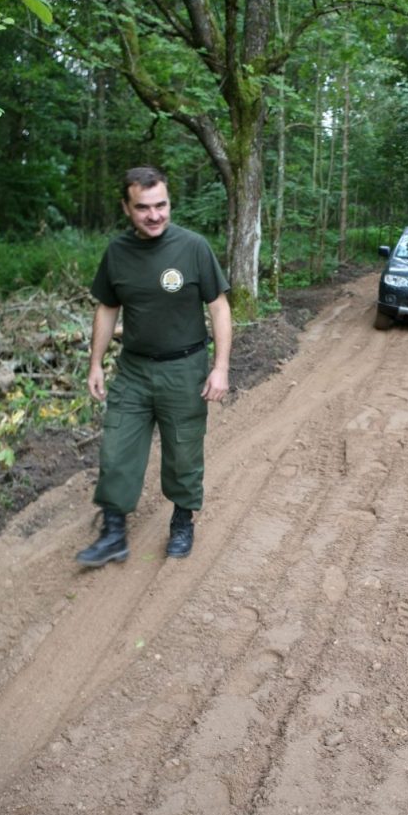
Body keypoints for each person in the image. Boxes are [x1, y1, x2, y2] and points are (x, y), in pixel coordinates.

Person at [76, 165, 232, 567]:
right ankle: (113, 534)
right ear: (127, 208)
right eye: (143, 207)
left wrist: (221, 367)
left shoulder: (193, 247)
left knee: (183, 453)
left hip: (185, 369)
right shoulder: (117, 252)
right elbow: (108, 308)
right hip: (133, 370)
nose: (154, 215)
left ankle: (182, 521)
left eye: (161, 205)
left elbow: (218, 306)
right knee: (116, 450)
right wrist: (95, 364)